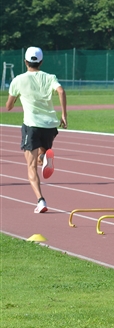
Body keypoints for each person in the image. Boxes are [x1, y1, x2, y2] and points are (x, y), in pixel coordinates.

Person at [6, 47, 67, 214]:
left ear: (25, 62)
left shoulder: (18, 80)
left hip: (31, 126)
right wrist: (64, 115)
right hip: (50, 125)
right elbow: (61, 90)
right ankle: (43, 156)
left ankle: (41, 201)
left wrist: (16, 98)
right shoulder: (50, 77)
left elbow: (8, 106)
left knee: (31, 166)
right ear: (41, 62)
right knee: (40, 158)